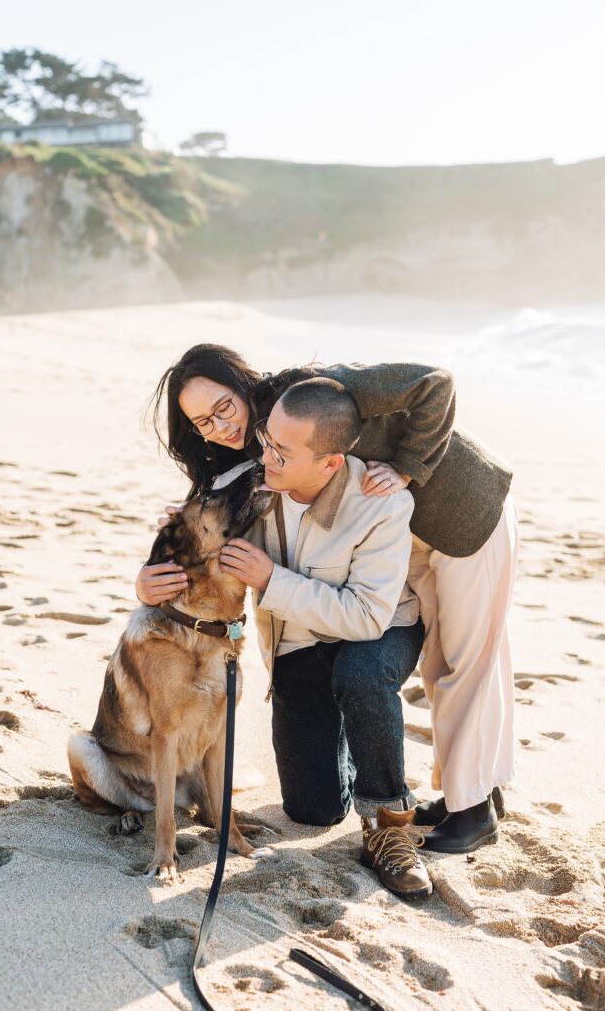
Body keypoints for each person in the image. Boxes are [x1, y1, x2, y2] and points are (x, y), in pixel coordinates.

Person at [136, 343, 518, 854]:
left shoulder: (314, 391)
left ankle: (473, 810)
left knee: (465, 661)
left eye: (222, 407)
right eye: (202, 422)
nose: (218, 427)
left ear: (241, 382)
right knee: (441, 662)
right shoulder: (259, 446)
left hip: (461, 513)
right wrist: (147, 580)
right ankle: (470, 795)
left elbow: (435, 382)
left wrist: (408, 466)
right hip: (401, 531)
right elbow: (207, 517)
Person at [145, 375, 432, 899]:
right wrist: (147, 577)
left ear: (330, 463)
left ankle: (391, 826)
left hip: (381, 631)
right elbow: (192, 535)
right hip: (300, 643)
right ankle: (344, 736)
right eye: (266, 442)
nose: (266, 459)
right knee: (312, 809)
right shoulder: (252, 488)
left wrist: (270, 580)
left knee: (361, 676)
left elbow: (367, 616)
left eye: (282, 452)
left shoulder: (382, 505)